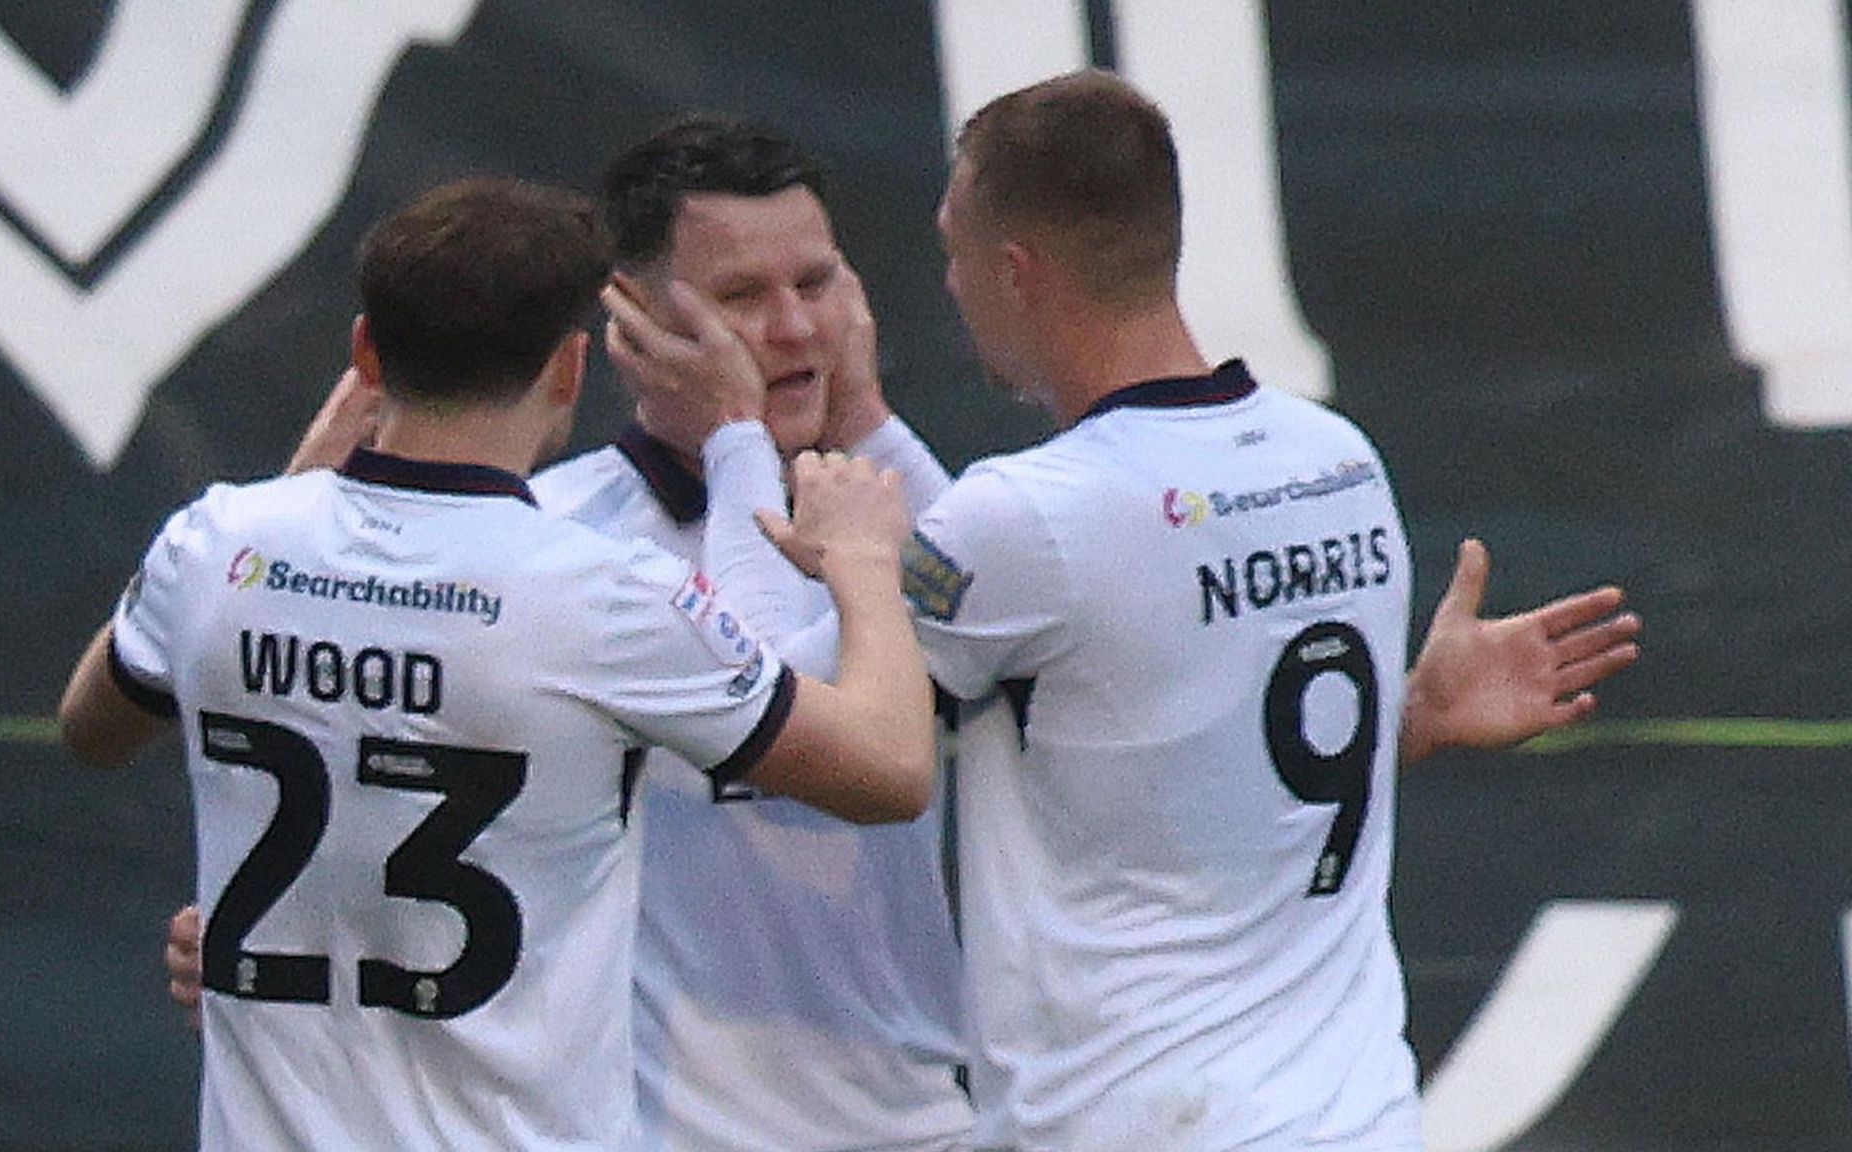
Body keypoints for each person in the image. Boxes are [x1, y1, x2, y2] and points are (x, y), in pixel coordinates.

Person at [167, 117, 1637, 1150]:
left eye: (821, 281)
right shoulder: (544, 555)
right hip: (673, 1129)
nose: (796, 328)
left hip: (937, 1124)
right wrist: (283, 938)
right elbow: (415, 788)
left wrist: (1400, 717)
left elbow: (1137, 725)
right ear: (626, 324)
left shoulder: (937, 517)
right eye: (743, 297)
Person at [608, 71, 1642, 1151]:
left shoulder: (1040, 515)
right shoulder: (1333, 460)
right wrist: (1410, 716)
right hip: (1355, 1117)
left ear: (1013, 274)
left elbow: (770, 698)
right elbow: (1206, 761)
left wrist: (734, 439)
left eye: (954, 256)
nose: (946, 290)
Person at [56, 174, 938, 1152]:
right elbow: (889, 772)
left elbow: (91, 729)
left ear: (365, 351)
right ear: (568, 370)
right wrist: (861, 565)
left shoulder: (217, 539)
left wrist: (297, 487)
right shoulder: (601, 591)